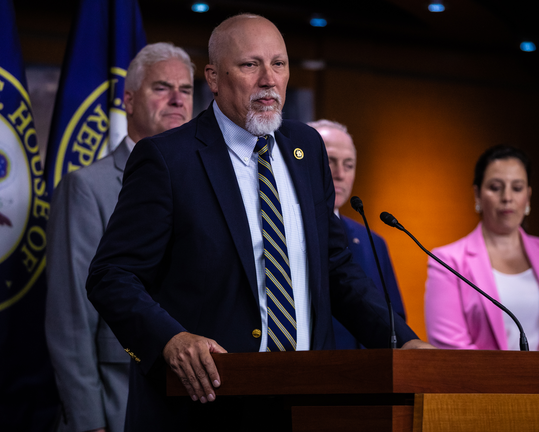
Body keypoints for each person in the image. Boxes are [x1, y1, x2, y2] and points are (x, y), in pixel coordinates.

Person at [86, 13, 433, 431]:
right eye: (251, 65)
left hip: (307, 404)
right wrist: (170, 340)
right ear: (213, 77)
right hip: (204, 407)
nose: (269, 79)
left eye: (280, 64)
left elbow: (336, 269)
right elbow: (112, 275)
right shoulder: (167, 159)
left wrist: (403, 340)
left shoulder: (307, 148)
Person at [45, 42, 195, 432]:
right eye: (162, 87)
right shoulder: (86, 187)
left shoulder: (206, 184)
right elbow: (70, 316)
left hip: (194, 400)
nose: (177, 99)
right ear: (128, 100)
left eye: (187, 89)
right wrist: (87, 420)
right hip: (117, 400)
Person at [424, 144, 539, 352]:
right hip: (479, 385)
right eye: (495, 187)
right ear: (478, 195)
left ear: (528, 196)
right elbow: (451, 349)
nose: (507, 197)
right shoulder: (447, 261)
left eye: (517, 188)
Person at [307, 119, 406, 349]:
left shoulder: (374, 242)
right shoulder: (281, 232)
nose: (340, 174)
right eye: (329, 162)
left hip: (367, 378)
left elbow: (394, 317)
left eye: (349, 164)